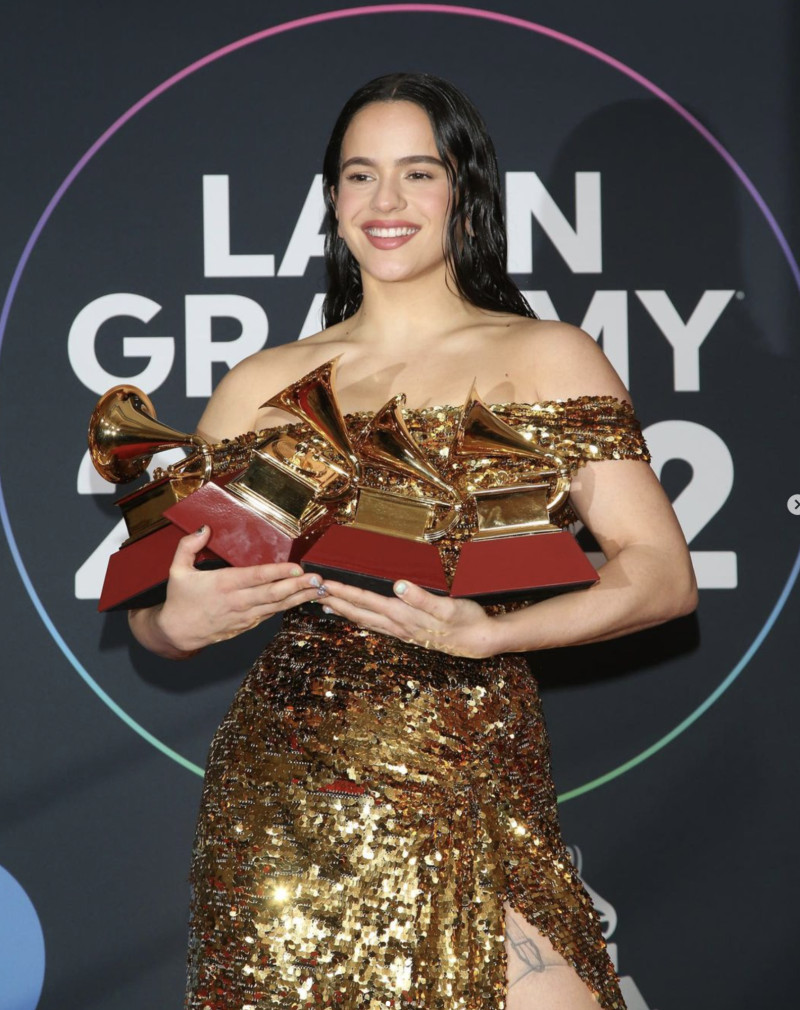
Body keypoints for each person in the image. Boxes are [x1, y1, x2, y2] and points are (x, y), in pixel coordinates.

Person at [129, 73, 696, 1010]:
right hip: (287, 797)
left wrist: (487, 634)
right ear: (333, 202)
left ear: (463, 193)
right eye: (360, 176)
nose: (385, 202)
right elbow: (163, 615)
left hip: (470, 771)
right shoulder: (259, 385)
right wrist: (179, 624)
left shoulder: (544, 354)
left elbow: (660, 575)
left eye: (417, 173)